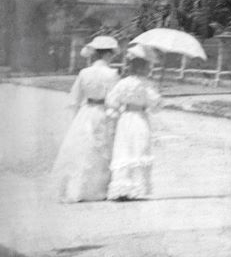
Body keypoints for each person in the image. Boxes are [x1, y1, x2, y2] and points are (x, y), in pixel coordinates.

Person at [53, 37, 121, 203]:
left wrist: (75, 118)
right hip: (104, 112)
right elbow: (115, 99)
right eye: (111, 54)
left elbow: (75, 99)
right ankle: (97, 189)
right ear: (108, 54)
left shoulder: (84, 73)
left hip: (86, 112)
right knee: (101, 149)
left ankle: (77, 187)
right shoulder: (112, 74)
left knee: (83, 147)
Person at [106, 48, 164, 202]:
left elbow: (112, 102)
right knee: (138, 149)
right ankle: (136, 187)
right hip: (139, 118)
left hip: (125, 119)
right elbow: (156, 106)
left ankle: (122, 187)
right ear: (144, 67)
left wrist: (118, 109)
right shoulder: (147, 84)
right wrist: (159, 96)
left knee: (124, 150)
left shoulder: (122, 83)